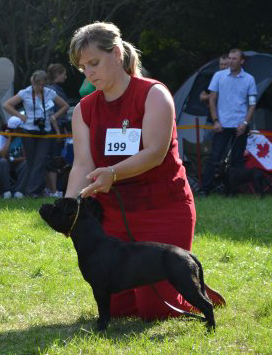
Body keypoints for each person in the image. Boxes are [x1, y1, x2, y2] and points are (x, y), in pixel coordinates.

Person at [65, 21, 223, 321]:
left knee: (156, 311)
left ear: (115, 54)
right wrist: (70, 208)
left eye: (94, 63)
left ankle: (191, 284)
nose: (88, 73)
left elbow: (154, 153)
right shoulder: (83, 109)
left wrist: (111, 173)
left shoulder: (154, 94)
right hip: (112, 216)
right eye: (82, 67)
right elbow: (82, 164)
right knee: (120, 308)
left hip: (163, 208)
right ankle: (182, 281)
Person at [200, 49, 257, 196]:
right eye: (229, 58)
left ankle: (234, 191)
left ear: (242, 61)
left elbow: (252, 104)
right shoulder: (219, 76)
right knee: (215, 157)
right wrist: (216, 121)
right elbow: (212, 99)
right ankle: (205, 189)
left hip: (240, 124)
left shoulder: (249, 79)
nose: (231, 61)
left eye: (234, 59)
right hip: (222, 124)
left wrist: (245, 123)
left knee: (237, 159)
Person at [3, 70, 69, 197]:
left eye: (40, 84)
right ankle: (30, 191)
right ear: (32, 82)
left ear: (44, 83)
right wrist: (20, 116)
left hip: (45, 131)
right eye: (35, 84)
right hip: (28, 130)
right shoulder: (25, 92)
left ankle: (32, 192)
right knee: (31, 162)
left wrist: (54, 116)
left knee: (40, 161)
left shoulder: (50, 93)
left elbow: (65, 106)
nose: (38, 87)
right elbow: (7, 105)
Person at [45, 63, 70, 197]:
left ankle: (52, 189)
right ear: (56, 75)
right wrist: (58, 130)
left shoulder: (57, 89)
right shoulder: (52, 91)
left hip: (59, 127)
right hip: (54, 128)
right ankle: (53, 190)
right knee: (53, 159)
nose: (65, 77)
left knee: (55, 157)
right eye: (63, 74)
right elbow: (53, 114)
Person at [199, 54, 230, 142]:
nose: (223, 67)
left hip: (228, 121)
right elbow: (201, 97)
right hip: (211, 120)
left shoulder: (235, 80)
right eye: (221, 64)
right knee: (207, 144)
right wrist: (212, 96)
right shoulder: (214, 79)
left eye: (225, 64)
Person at [0, 117, 28, 199]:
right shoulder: (0, 136)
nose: (21, 131)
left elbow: (25, 156)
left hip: (17, 163)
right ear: (13, 130)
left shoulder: (21, 137)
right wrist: (9, 138)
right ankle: (7, 191)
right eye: (19, 129)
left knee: (27, 163)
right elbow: (2, 155)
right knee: (3, 161)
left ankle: (19, 191)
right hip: (4, 165)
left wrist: (14, 159)